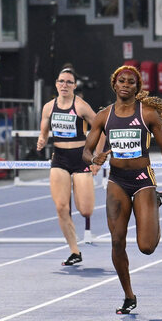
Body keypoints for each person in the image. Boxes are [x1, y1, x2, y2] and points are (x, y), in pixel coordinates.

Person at [82, 65, 162, 314]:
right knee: (116, 241)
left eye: (131, 82)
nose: (125, 84)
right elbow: (87, 150)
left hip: (143, 178)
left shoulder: (148, 114)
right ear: (114, 84)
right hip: (117, 180)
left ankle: (154, 203)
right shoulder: (104, 116)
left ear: (137, 87)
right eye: (121, 81)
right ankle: (128, 295)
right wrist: (93, 159)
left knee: (146, 247)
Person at [36, 68, 103, 266]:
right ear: (56, 84)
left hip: (80, 158)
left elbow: (100, 129)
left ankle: (83, 193)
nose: (64, 85)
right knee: (61, 207)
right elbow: (44, 131)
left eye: (69, 82)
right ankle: (75, 251)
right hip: (59, 159)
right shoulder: (49, 107)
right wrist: (41, 140)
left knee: (85, 210)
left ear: (74, 86)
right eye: (61, 81)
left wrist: (97, 156)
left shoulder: (81, 106)